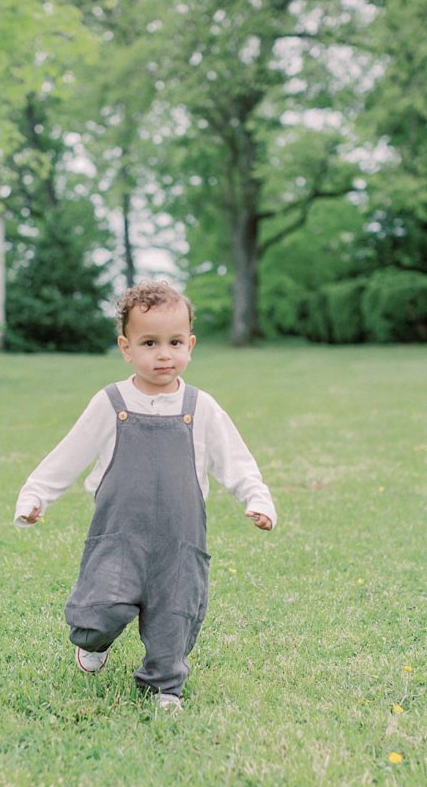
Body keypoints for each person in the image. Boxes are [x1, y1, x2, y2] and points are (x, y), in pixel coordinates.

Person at [14, 281, 276, 710]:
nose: (163, 354)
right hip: (119, 536)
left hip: (180, 543)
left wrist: (257, 498)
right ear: (126, 347)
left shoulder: (200, 407)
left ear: (190, 344)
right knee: (104, 606)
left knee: (175, 616)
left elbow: (237, 460)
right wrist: (35, 495)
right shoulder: (111, 403)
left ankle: (164, 686)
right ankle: (92, 643)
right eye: (149, 343)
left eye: (175, 342)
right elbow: (69, 453)